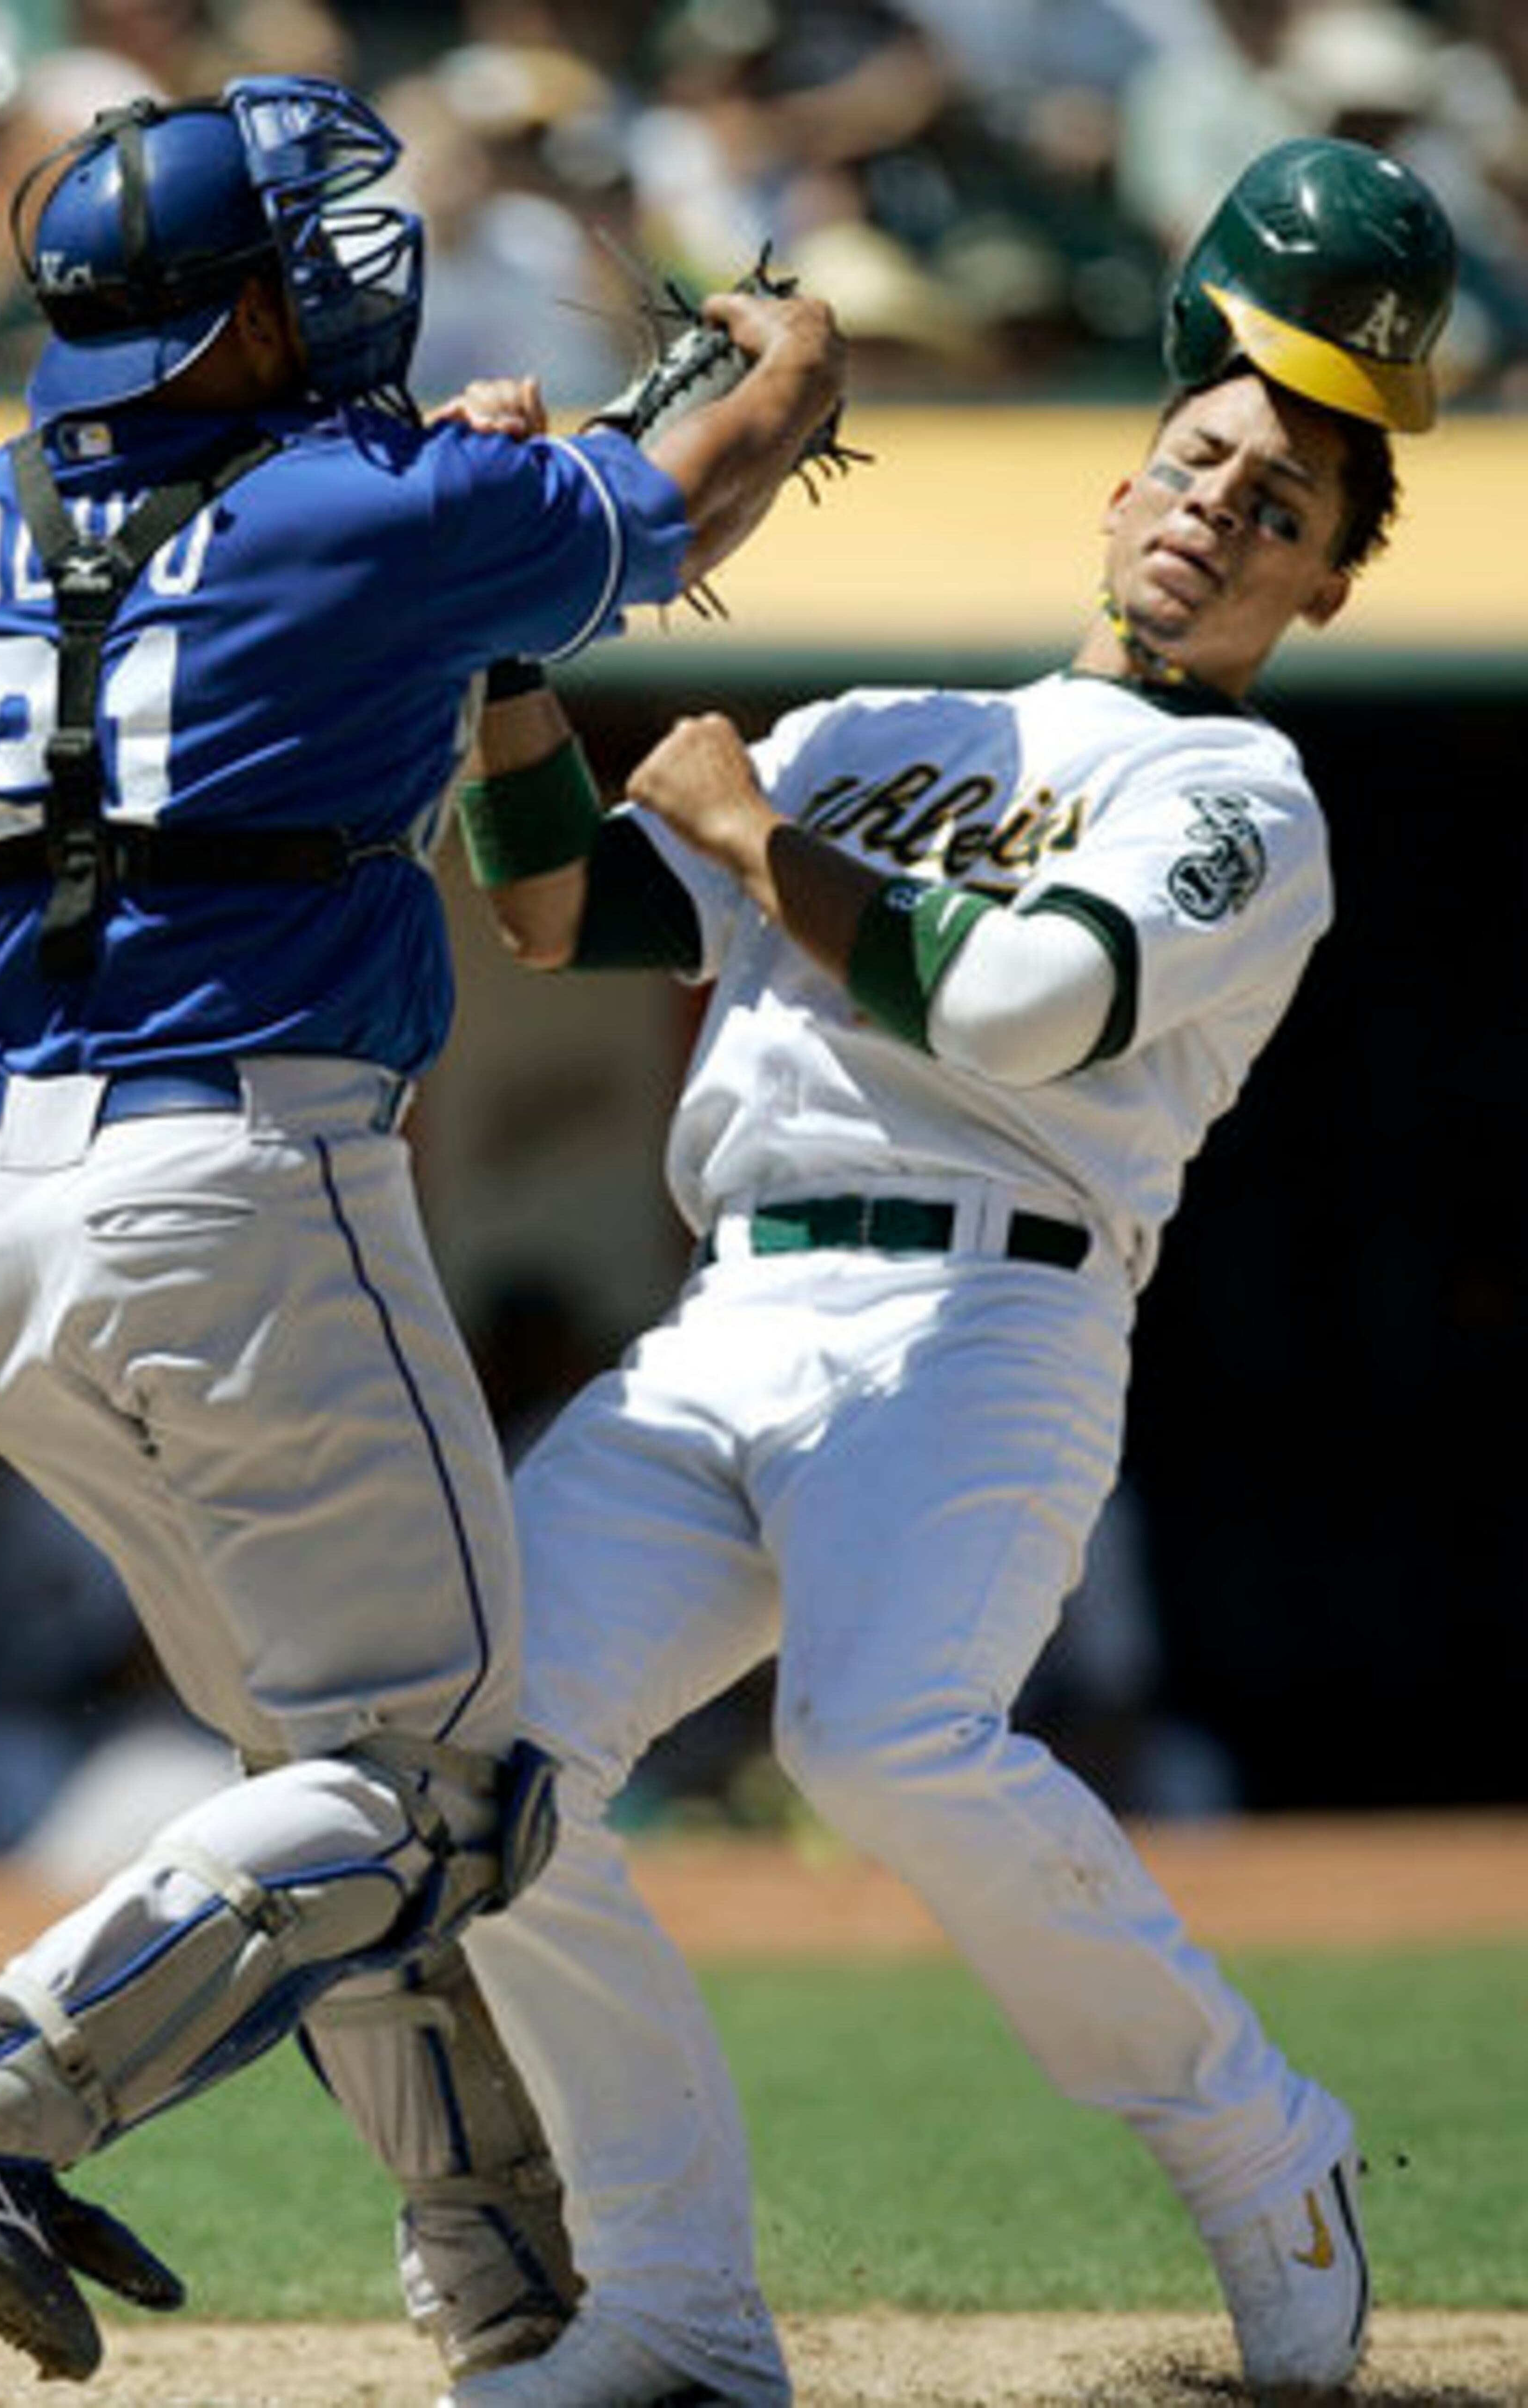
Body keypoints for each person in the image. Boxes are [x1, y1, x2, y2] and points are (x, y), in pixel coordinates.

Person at [0, 71, 844, 2394]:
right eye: (302, 263)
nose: (345, 283)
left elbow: (345, 566)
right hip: (242, 1192)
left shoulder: (4, 498)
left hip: (12, 1230)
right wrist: (791, 343)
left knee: (338, 1800)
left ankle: (508, 2291)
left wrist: (457, 490)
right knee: (444, 1788)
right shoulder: (370, 502)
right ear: (233, 323)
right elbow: (694, 485)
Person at [436, 136, 1457, 2403]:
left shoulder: (1244, 807)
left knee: (883, 1738)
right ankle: (678, 2307)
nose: (1220, 512)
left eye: (1281, 512)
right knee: (476, 1757)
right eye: (1201, 465)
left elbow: (1016, 1012)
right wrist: (504, 641)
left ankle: (1255, 2138)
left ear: (1318, 592)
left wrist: (747, 832)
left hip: (993, 1315)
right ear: (1119, 486)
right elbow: (549, 912)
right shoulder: (883, 730)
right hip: (740, 1312)